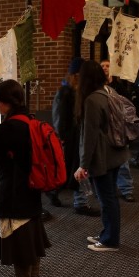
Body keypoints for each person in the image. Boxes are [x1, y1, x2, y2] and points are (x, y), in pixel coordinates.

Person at [0, 79, 50, 277]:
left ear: (6, 103)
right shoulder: (32, 121)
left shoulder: (10, 127)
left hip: (13, 193)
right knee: (31, 238)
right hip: (32, 190)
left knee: (20, 242)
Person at [73, 60, 130, 252]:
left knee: (107, 199)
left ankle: (110, 240)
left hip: (102, 157)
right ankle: (108, 233)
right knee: (110, 197)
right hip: (116, 152)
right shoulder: (109, 92)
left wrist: (83, 164)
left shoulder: (91, 100)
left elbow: (89, 136)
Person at [49, 57, 100, 216]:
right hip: (70, 139)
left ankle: (59, 194)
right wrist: (61, 137)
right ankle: (78, 202)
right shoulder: (65, 92)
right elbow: (59, 116)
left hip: (77, 137)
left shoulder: (78, 91)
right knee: (75, 169)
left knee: (73, 170)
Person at [100, 59, 136, 202]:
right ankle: (109, 189)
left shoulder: (119, 87)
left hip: (118, 129)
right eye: (102, 66)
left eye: (107, 66)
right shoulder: (97, 87)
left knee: (122, 161)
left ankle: (127, 189)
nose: (104, 68)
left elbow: (127, 108)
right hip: (104, 130)